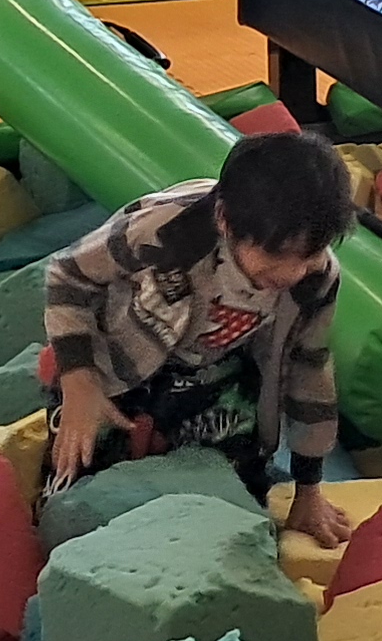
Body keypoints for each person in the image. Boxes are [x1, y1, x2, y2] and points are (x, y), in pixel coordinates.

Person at [39, 128, 356, 540]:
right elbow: (67, 275)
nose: (292, 273)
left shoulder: (315, 280)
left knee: (238, 491)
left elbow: (309, 372)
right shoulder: (167, 230)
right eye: (276, 255)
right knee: (74, 483)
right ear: (225, 220)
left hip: (212, 375)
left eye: (310, 255)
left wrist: (308, 489)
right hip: (116, 364)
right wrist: (78, 382)